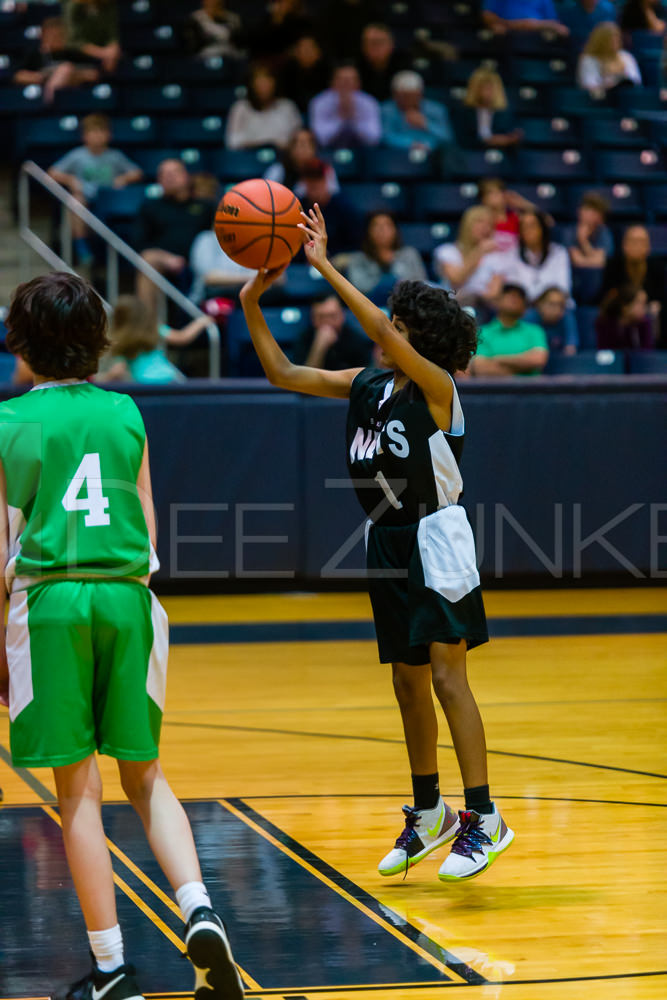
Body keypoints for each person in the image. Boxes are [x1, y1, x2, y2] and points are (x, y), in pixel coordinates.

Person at [240, 204, 514, 882]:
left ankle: (484, 817)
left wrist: (325, 265)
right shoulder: (367, 387)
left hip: (436, 536)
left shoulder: (439, 388)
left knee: (450, 678)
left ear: (416, 339)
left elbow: (378, 332)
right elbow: (283, 376)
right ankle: (429, 813)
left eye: (395, 324)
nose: (383, 329)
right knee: (406, 682)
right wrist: (251, 302)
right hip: (387, 539)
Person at [0, 272, 244, 1000]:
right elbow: (147, 519)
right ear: (95, 343)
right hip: (132, 596)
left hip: (51, 602)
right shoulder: (126, 412)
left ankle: (110, 971)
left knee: (77, 790)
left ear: (20, 342)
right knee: (147, 772)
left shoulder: (10, 423)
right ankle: (198, 905)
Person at [48, 114, 143, 265]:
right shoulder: (77, 155)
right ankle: (81, 246)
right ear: (85, 136)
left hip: (109, 201)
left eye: (101, 132)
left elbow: (137, 173)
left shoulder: (115, 156)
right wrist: (71, 180)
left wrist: (123, 179)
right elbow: (53, 172)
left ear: (109, 135)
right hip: (86, 200)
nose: (97, 136)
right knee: (75, 201)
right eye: (93, 132)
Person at [135, 159, 216, 312]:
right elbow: (139, 244)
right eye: (163, 174)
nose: (169, 177)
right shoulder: (150, 207)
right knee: (148, 259)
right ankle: (147, 330)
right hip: (163, 262)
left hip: (200, 262)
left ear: (186, 176)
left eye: (174, 172)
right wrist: (166, 258)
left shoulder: (205, 206)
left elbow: (215, 239)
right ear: (158, 180)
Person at [101, 295, 215, 383]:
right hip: (169, 377)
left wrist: (100, 380)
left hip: (145, 383)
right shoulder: (154, 329)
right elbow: (182, 337)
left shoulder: (121, 342)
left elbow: (118, 371)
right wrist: (201, 322)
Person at [433, 206, 507, 313]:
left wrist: (476, 295)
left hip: (481, 308)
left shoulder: (496, 257)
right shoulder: (447, 251)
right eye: (479, 222)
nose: (485, 228)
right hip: (451, 307)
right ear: (467, 224)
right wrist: (479, 251)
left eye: (489, 224)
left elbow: (494, 292)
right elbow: (457, 278)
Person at [13, 16, 99, 104]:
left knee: (66, 68)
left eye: (60, 35)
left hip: (72, 91)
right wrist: (44, 77)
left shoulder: (73, 53)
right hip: (41, 91)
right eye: (52, 35)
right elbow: (19, 76)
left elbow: (94, 74)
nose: (56, 39)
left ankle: (50, 102)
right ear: (42, 36)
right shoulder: (35, 54)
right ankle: (50, 101)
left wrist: (73, 74)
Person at [598, 225, 664, 332]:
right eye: (633, 241)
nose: (637, 245)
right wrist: (626, 308)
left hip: (649, 315)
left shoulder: (658, 268)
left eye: (641, 241)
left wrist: (649, 307)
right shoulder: (613, 266)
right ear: (624, 245)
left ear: (648, 247)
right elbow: (606, 297)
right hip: (620, 316)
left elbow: (661, 297)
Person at [472, 283, 549, 374]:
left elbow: (538, 359)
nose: (514, 297)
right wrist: (523, 368)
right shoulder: (481, 332)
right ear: (497, 302)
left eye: (520, 296)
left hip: (532, 388)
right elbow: (480, 368)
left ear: (525, 308)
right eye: (508, 293)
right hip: (493, 388)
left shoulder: (535, 331)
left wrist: (498, 359)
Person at [346, 212, 427, 297]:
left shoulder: (410, 254)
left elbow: (421, 284)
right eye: (376, 225)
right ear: (368, 231)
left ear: (395, 230)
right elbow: (358, 289)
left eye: (387, 225)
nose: (382, 230)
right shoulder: (357, 259)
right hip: (369, 306)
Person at [225, 63, 303, 151]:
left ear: (275, 83)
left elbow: (299, 141)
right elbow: (233, 142)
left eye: (267, 81)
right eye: (259, 82)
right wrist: (268, 143)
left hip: (283, 159)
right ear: (252, 85)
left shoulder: (288, 106)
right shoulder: (240, 108)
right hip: (249, 159)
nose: (264, 86)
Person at [502, 209, 571, 302]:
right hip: (524, 308)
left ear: (542, 228)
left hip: (554, 307)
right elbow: (512, 287)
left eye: (532, 226)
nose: (528, 231)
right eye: (524, 227)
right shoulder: (512, 254)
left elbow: (563, 287)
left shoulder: (558, 252)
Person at [298, 158, 364, 256]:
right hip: (304, 262)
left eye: (318, 179)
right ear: (305, 183)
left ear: (326, 181)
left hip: (336, 262)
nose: (315, 185)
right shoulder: (299, 208)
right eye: (310, 180)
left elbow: (356, 243)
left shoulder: (343, 207)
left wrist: (341, 257)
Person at [309, 62, 382, 148]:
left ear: (358, 83)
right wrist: (340, 118)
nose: (347, 84)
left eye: (351, 80)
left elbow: (374, 138)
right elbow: (320, 139)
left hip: (362, 150)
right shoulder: (319, 102)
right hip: (329, 149)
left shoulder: (369, 102)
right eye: (342, 80)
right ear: (333, 82)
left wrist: (354, 119)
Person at [290, 294, 373, 368]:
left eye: (332, 316)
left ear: (342, 315)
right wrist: (319, 347)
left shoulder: (357, 340)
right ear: (312, 318)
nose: (327, 322)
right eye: (321, 317)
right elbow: (304, 381)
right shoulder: (304, 338)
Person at [381, 70, 454, 151]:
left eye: (412, 96)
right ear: (395, 94)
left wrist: (426, 124)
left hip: (433, 154)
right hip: (398, 154)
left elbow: (447, 138)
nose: (408, 100)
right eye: (404, 96)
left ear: (420, 94)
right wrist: (411, 144)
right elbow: (385, 137)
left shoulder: (436, 109)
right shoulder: (386, 110)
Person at [561, 191, 614, 303]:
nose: (585, 213)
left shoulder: (604, 232)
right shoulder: (569, 232)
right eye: (584, 209)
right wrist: (590, 257)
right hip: (574, 278)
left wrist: (583, 241)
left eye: (592, 211)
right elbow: (577, 261)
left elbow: (600, 262)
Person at [263, 127, 339, 196]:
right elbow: (267, 197)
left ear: (314, 148)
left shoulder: (325, 169)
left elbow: (334, 199)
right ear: (290, 148)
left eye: (306, 144)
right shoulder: (277, 171)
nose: (302, 149)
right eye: (297, 144)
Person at [189, 228, 256, 304]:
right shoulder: (207, 239)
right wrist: (251, 279)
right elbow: (209, 277)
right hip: (207, 301)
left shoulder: (249, 240)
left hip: (243, 300)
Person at [463, 68, 523, 148]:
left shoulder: (506, 113)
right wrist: (488, 140)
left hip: (501, 153)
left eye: (490, 88)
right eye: (483, 88)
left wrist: (507, 140)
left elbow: (512, 136)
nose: (487, 92)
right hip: (472, 154)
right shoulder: (464, 112)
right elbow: (461, 140)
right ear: (475, 89)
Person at [577, 22, 642, 95]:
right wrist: (608, 84)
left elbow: (636, 81)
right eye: (611, 40)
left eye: (617, 39)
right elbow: (589, 84)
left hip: (626, 98)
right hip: (599, 101)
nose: (615, 42)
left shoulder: (626, 56)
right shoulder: (589, 59)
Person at [63, 0, 122, 74]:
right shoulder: (73, 6)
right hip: (76, 58)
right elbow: (72, 42)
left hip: (103, 56)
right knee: (66, 70)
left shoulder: (108, 6)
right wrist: (103, 53)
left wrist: (113, 51)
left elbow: (112, 35)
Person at [357, 23, 409, 102]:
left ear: (391, 44)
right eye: (368, 42)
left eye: (379, 42)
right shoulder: (355, 69)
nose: (374, 47)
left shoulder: (405, 66)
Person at [279, 35, 331, 114]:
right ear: (296, 52)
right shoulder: (287, 73)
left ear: (319, 52)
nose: (307, 52)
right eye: (303, 48)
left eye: (310, 48)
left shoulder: (329, 72)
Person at [595, 283, 656, 349]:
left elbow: (647, 353)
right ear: (625, 307)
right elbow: (604, 352)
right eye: (639, 303)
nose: (644, 307)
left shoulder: (644, 323)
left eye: (645, 303)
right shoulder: (605, 323)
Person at [525, 286, 579, 353]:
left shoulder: (567, 317)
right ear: (539, 304)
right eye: (552, 304)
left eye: (561, 305)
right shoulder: (528, 318)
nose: (557, 309)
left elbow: (571, 350)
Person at [481, 0, 570, 35]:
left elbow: (554, 22)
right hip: (508, 37)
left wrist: (533, 24)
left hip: (537, 38)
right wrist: (510, 24)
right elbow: (487, 15)